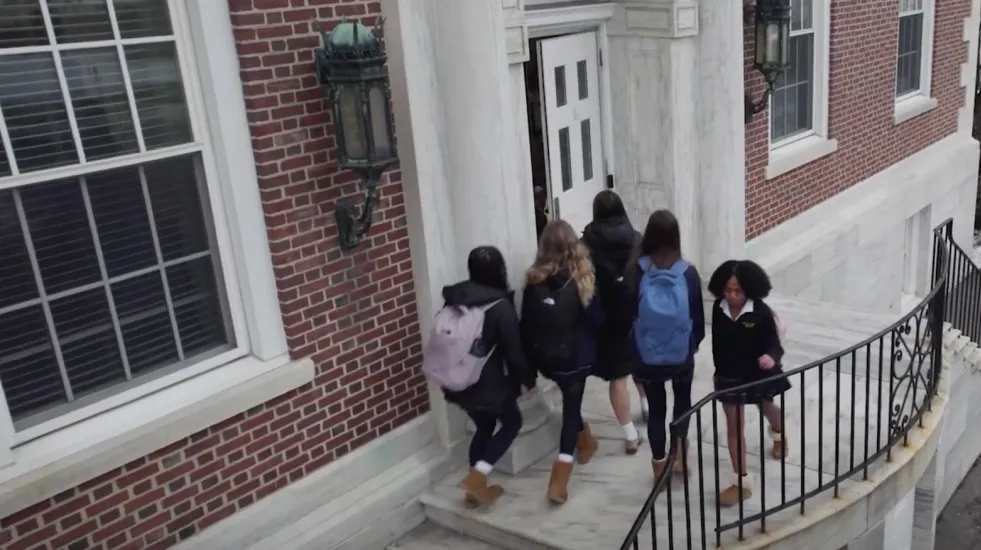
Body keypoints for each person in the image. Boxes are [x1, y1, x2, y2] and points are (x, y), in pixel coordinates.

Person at [439, 246, 537, 507]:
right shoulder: (500, 306)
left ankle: (475, 488)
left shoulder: (454, 299)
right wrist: (529, 380)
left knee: (483, 426)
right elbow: (514, 353)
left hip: (457, 384)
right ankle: (477, 477)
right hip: (489, 387)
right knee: (512, 422)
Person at [521, 220, 603, 504]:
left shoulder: (533, 281)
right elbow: (597, 320)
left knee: (571, 402)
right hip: (576, 359)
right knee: (571, 411)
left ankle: (587, 441)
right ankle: (560, 478)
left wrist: (530, 367)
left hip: (548, 361)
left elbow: (526, 326)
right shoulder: (583, 278)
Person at [628, 210, 705, 484]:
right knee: (681, 405)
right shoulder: (688, 272)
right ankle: (681, 460)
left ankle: (659, 467)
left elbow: (628, 313)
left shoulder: (638, 269)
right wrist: (690, 346)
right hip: (680, 355)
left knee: (657, 410)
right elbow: (698, 319)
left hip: (647, 357)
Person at [707, 259, 790, 507]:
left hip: (758, 374)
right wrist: (718, 373)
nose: (732, 296)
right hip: (729, 377)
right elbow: (717, 344)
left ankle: (779, 434)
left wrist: (771, 357)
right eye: (727, 290)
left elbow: (775, 345)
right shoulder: (717, 308)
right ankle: (741, 483)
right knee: (734, 428)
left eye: (738, 291)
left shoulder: (761, 313)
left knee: (768, 409)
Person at [581, 190, 645, 454]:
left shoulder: (584, 245)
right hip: (635, 313)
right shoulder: (637, 240)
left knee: (618, 376)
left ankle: (630, 434)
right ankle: (647, 405)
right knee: (641, 363)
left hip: (605, 318)